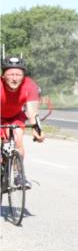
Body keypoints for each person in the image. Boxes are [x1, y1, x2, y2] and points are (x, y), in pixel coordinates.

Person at [1, 56, 45, 188]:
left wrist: (37, 130)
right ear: (3, 76)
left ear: (23, 76)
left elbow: (32, 112)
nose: (15, 78)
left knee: (18, 137)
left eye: (18, 74)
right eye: (11, 74)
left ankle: (19, 175)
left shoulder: (29, 85)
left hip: (16, 115)